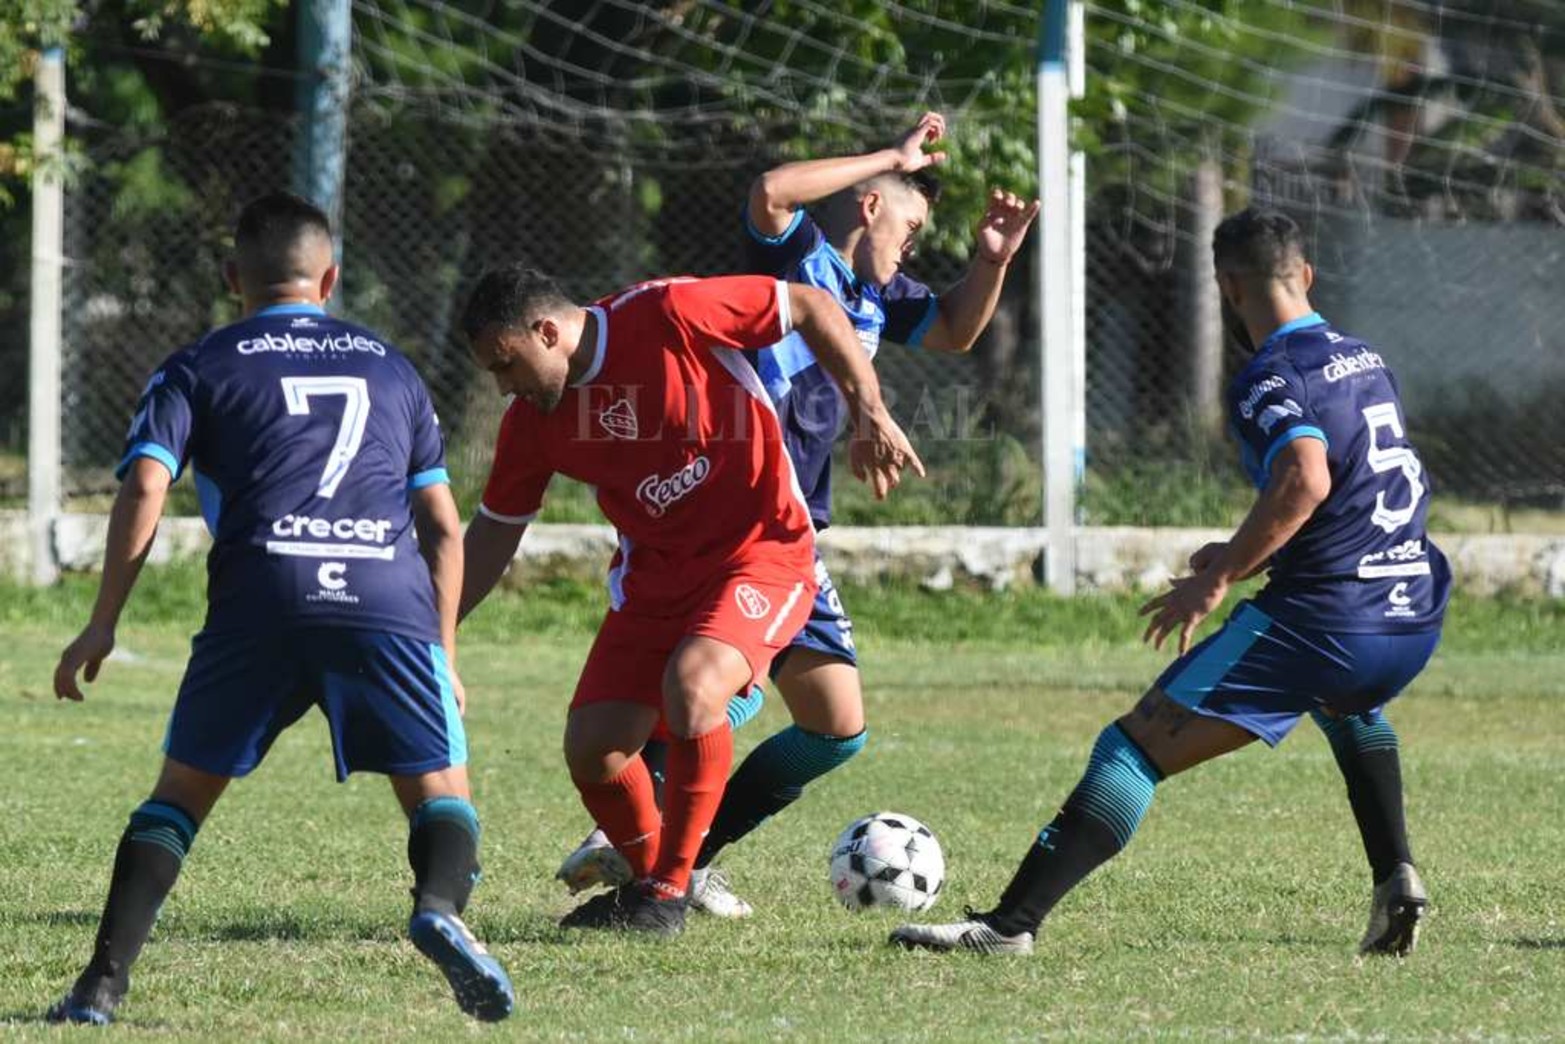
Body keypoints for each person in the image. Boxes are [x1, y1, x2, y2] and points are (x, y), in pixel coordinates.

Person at [890, 206, 1450, 956]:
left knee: (1132, 748)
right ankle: (1396, 877)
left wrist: (1217, 576)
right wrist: (1247, 549)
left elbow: (1305, 478)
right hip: (1411, 614)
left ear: (1225, 286)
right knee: (1345, 708)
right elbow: (1352, 489)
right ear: (1305, 275)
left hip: (1328, 621)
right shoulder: (1363, 357)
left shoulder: (1270, 376)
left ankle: (1007, 927)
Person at [557, 111, 1041, 919]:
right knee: (763, 705)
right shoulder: (799, 257)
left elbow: (956, 330)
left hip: (786, 529)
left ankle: (674, 844)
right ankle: (658, 843)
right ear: (870, 205)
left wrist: (991, 264)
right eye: (912, 223)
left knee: (831, 724)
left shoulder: (880, 298)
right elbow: (772, 190)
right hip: (740, 519)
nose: (915, 244)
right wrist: (889, 154)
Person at [46, 193, 512, 1024]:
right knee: (442, 790)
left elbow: (148, 483)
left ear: (234, 277)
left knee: (178, 799)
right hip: (384, 594)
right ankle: (438, 907)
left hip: (260, 593)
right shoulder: (391, 367)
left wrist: (104, 618)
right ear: (330, 277)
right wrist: (440, 652)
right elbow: (443, 527)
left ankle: (99, 989)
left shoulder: (199, 364)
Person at [457, 266, 922, 937]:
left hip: (760, 552)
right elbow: (494, 532)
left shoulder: (668, 313)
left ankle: (670, 890)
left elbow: (813, 304)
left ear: (548, 331)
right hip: (653, 582)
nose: (504, 385)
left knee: (700, 688)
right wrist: (432, 631)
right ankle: (653, 882)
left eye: (506, 364)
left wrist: (869, 410)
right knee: (594, 748)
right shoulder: (532, 423)